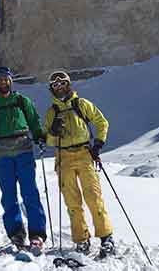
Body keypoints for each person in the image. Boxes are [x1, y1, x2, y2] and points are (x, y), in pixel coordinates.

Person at [44, 70, 115, 258]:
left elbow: (101, 122)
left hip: (84, 153)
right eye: (55, 84)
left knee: (93, 196)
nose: (59, 86)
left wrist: (98, 144)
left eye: (62, 83)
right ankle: (81, 240)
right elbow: (49, 140)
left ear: (68, 84)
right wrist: (54, 131)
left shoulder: (81, 104)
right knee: (72, 201)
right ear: (52, 88)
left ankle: (106, 238)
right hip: (63, 156)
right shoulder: (52, 112)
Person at [0, 66, 47, 253]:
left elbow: (34, 121)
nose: (2, 82)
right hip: (2, 154)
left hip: (24, 149)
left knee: (29, 192)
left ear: (10, 81)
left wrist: (40, 135)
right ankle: (16, 233)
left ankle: (37, 234)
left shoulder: (22, 101)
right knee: (8, 196)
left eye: (5, 79)